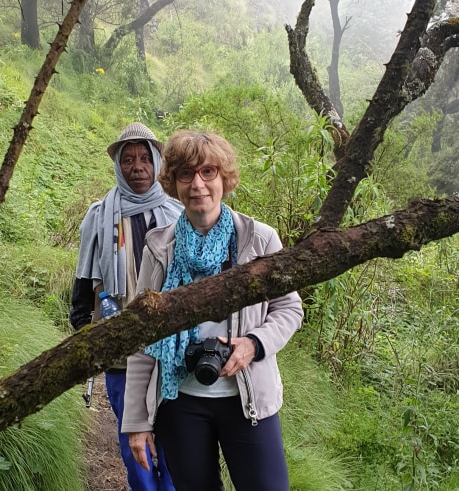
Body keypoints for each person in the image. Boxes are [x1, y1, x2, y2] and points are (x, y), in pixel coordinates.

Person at [121, 130, 303, 491]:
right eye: (186, 174)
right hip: (179, 401)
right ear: (173, 183)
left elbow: (289, 308)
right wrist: (137, 420)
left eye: (208, 172)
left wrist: (253, 344)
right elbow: (142, 337)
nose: (198, 184)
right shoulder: (158, 247)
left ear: (224, 178)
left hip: (248, 399)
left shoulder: (258, 239)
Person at [71, 122, 181, 491]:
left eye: (144, 158)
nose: (137, 167)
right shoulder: (100, 214)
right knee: (132, 436)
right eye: (128, 159)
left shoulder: (177, 214)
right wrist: (83, 317)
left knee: (172, 437)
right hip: (118, 344)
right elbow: (85, 274)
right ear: (119, 165)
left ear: (157, 162)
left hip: (169, 344)